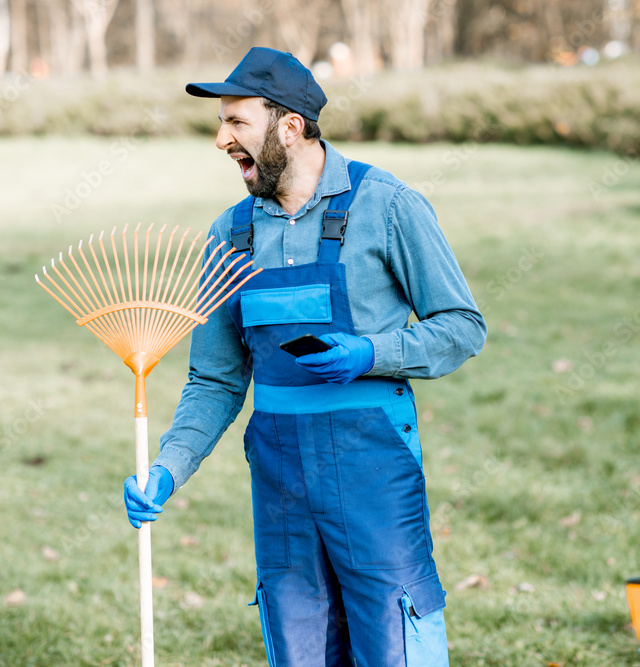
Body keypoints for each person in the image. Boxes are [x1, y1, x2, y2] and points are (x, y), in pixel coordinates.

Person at [123, 47, 486, 666]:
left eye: (236, 122)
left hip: (372, 458)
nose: (220, 140)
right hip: (281, 470)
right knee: (298, 636)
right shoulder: (229, 235)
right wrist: (169, 467)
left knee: (394, 630)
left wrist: (372, 352)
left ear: (289, 127)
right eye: (221, 123)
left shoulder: (388, 206)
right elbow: (215, 378)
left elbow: (462, 327)